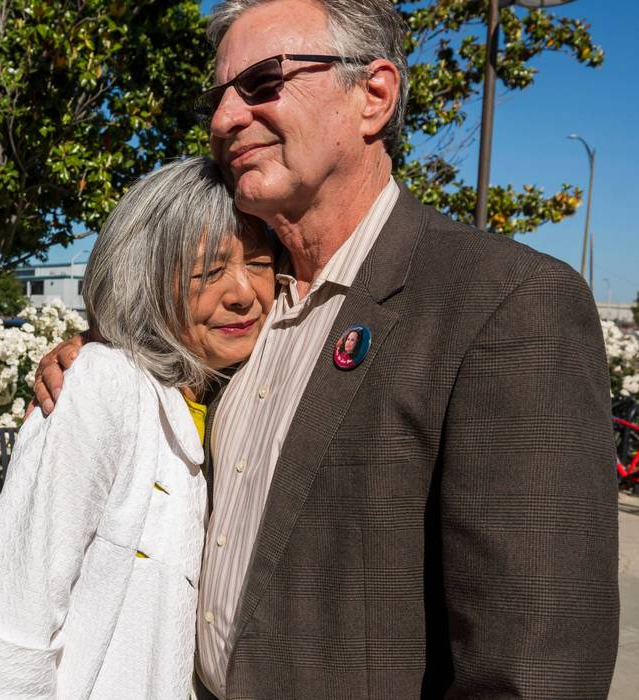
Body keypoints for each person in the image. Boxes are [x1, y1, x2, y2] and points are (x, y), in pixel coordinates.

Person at [33, 0, 619, 697]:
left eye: (260, 83)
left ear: (372, 95)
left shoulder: (507, 301)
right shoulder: (246, 310)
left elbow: (535, 668)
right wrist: (101, 353)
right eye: (216, 97)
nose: (223, 120)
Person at [0, 156, 277, 698]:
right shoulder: (103, 383)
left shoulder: (225, 393)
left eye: (261, 263)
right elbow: (11, 617)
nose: (243, 291)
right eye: (208, 271)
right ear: (145, 282)